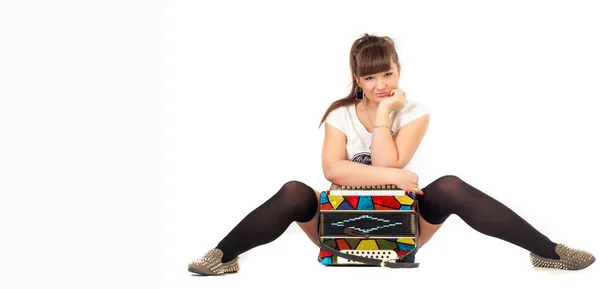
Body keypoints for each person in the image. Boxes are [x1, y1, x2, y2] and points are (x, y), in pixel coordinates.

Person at [187, 33, 595, 276]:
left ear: (399, 70)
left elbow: (383, 165)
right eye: (370, 77)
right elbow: (333, 169)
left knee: (449, 187)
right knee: (295, 191)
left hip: (403, 226)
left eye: (388, 74)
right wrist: (399, 178)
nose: (381, 84)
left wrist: (384, 118)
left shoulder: (415, 113)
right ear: (357, 79)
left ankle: (548, 252)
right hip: (337, 225)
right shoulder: (341, 114)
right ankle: (223, 256)